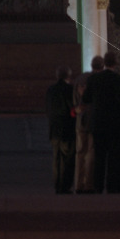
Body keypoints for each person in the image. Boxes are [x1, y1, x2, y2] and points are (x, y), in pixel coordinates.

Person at [82, 51, 120, 193]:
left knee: (99, 157)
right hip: (115, 124)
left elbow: (86, 99)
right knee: (114, 157)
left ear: (104, 63)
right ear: (115, 63)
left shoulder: (94, 79)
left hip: (99, 122)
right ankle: (113, 186)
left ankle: (98, 186)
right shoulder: (119, 79)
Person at [73, 55, 102, 193]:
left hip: (81, 121)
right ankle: (88, 184)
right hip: (94, 120)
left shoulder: (80, 79)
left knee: (79, 153)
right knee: (91, 153)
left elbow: (75, 101)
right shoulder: (98, 80)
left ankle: (78, 184)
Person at [45, 65, 76, 194]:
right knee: (67, 159)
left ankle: (57, 184)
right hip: (66, 128)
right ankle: (65, 186)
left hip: (54, 128)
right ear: (68, 76)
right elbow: (72, 108)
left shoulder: (50, 90)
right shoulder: (69, 89)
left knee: (56, 158)